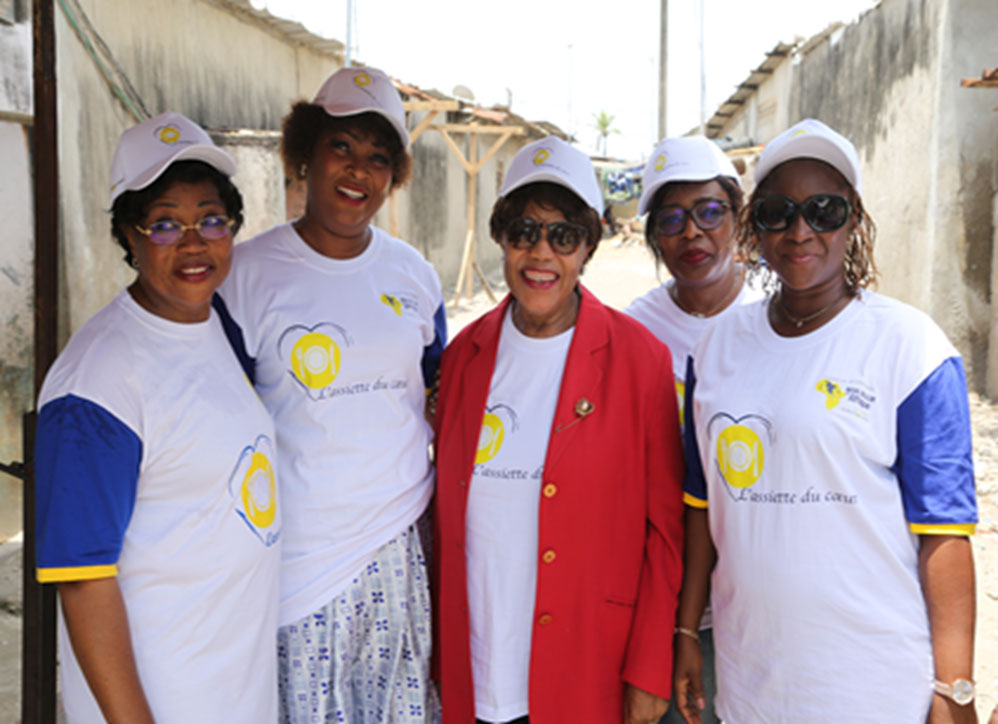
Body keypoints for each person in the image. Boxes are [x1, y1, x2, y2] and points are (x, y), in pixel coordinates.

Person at [675, 118, 979, 723]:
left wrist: (954, 690)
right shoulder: (715, 348)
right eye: (778, 212)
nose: (800, 230)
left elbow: (945, 532)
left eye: (824, 210)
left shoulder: (911, 348)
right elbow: (702, 507)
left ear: (855, 221)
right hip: (751, 684)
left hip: (874, 688)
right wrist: (687, 632)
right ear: (753, 226)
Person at [34, 111, 281, 723]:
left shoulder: (215, 328)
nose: (195, 243)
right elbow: (82, 580)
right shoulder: (98, 381)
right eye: (166, 224)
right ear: (129, 235)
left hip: (232, 695)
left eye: (212, 220)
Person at [216, 66, 445, 723]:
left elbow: (437, 392)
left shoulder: (414, 276)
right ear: (305, 152)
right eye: (341, 146)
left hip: (397, 557)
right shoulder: (246, 276)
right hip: (296, 567)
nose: (357, 171)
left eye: (378, 157)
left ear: (394, 175)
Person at [433, 136, 686, 724]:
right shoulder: (464, 355)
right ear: (500, 236)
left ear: (588, 246)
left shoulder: (639, 360)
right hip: (477, 664)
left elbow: (665, 533)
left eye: (563, 235)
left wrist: (649, 668)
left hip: (586, 665)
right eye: (523, 231)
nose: (540, 253)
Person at [625, 135, 761, 724]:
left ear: (737, 217)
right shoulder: (633, 331)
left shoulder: (780, 311)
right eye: (672, 219)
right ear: (654, 236)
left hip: (761, 601)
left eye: (709, 212)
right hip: (668, 604)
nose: (692, 234)